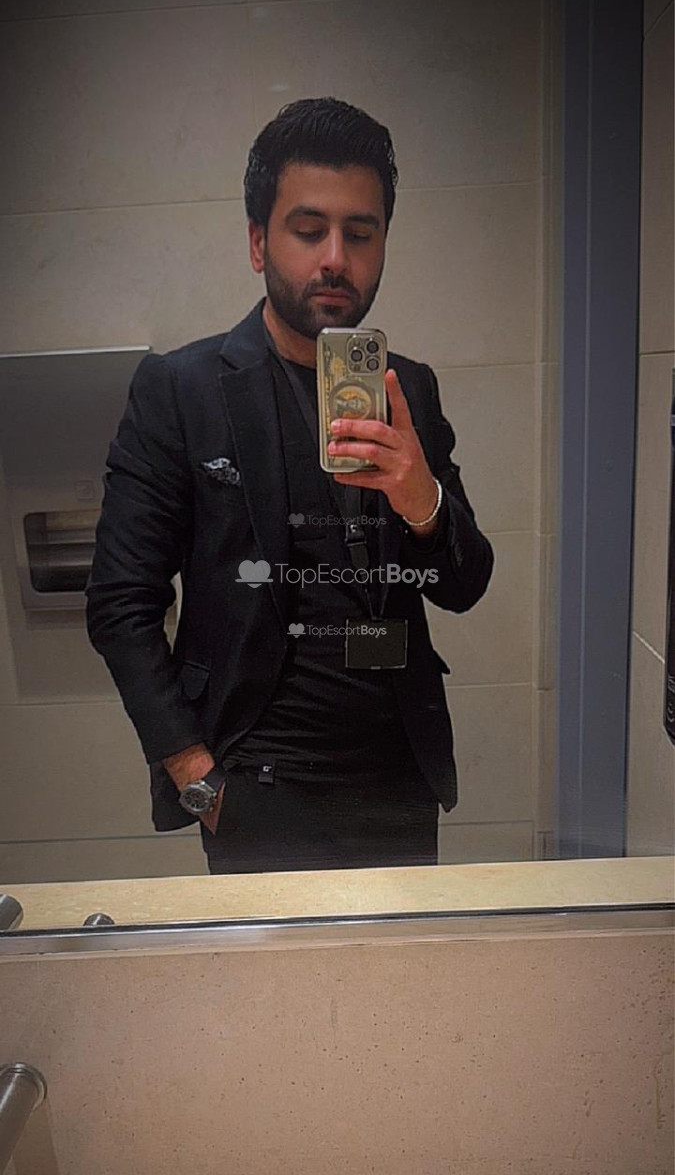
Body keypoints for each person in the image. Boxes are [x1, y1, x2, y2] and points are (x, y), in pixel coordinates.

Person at [85, 97, 494, 875]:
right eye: (309, 231)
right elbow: (119, 603)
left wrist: (424, 506)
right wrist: (197, 779)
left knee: (398, 959)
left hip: (395, 776)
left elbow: (463, 585)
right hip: (253, 783)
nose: (335, 258)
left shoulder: (408, 389)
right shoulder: (182, 390)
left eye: (359, 234)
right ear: (257, 242)